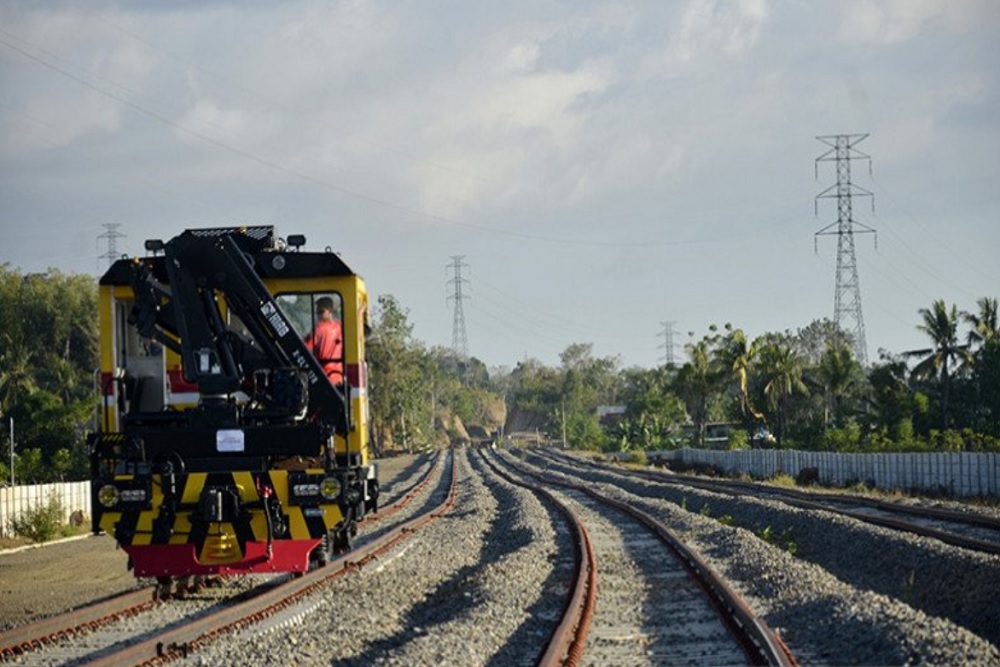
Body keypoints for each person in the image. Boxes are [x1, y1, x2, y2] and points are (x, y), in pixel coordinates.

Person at [305, 296, 344, 385]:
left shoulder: (319, 329)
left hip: (322, 376)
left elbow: (304, 348)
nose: (318, 314)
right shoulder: (340, 327)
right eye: (317, 312)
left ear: (330, 311)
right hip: (338, 378)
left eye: (321, 312)